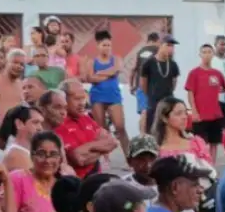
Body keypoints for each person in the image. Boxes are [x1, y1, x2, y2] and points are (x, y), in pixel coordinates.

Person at [152, 97, 217, 212]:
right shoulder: (157, 147)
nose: (184, 117)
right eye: (178, 113)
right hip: (167, 210)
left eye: (185, 112)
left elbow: (210, 174)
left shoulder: (195, 142)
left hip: (194, 208)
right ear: (165, 118)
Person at [56, 79, 118, 178]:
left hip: (96, 179)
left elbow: (113, 142)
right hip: (77, 184)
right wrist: (101, 147)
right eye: (77, 99)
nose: (82, 103)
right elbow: (78, 159)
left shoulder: (86, 118)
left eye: (83, 98)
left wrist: (88, 148)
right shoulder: (59, 123)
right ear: (63, 99)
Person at [84, 29, 130, 158]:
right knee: (101, 128)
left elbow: (117, 68)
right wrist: (108, 74)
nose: (107, 48)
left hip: (113, 96)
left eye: (109, 45)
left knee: (120, 127)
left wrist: (99, 74)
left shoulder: (116, 59)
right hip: (97, 96)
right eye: (104, 45)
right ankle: (104, 158)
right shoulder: (92, 62)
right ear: (98, 46)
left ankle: (130, 157)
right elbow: (90, 78)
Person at [184, 43, 225, 159]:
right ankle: (202, 166)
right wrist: (194, 111)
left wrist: (222, 91)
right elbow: (190, 93)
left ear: (213, 54)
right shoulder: (194, 73)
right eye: (204, 52)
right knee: (200, 143)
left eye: (209, 52)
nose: (207, 54)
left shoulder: (217, 73)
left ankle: (212, 168)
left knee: (214, 143)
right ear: (200, 54)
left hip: (215, 114)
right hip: (200, 115)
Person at [139, 34, 179, 133]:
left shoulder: (173, 65)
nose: (171, 49)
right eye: (168, 45)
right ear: (160, 45)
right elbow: (143, 83)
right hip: (153, 102)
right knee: (152, 129)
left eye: (172, 46)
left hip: (168, 102)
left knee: (167, 131)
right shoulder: (149, 63)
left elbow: (174, 83)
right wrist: (150, 94)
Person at [0, 104, 44, 173]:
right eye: (35, 122)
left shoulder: (24, 152)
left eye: (41, 123)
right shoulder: (17, 154)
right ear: (19, 124)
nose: (40, 128)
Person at [130, 31, 160, 133]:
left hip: (140, 85)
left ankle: (142, 135)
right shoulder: (158, 50)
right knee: (154, 113)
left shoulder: (140, 51)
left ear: (148, 40)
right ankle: (151, 136)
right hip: (153, 87)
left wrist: (131, 85)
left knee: (143, 111)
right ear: (157, 40)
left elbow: (133, 69)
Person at [0, 48, 26, 121]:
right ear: (6, 62)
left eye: (22, 64)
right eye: (15, 62)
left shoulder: (21, 85)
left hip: (14, 129)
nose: (18, 66)